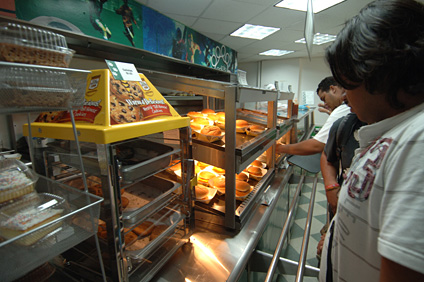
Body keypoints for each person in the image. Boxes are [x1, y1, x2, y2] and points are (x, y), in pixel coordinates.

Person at [319, 1, 424, 281]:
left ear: (378, 74)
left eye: (348, 82)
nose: (344, 97)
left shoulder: (418, 142)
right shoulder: (394, 134)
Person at [276, 76, 351, 155]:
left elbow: (316, 146)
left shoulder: (341, 109)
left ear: (333, 89)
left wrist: (279, 148)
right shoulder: (344, 108)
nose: (325, 103)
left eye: (324, 98)